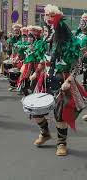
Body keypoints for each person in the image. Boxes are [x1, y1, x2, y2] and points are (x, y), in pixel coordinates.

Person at [30, 4, 86, 156]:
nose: (46, 29)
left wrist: (69, 81)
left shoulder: (69, 43)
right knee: (36, 110)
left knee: (60, 115)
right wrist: (36, 72)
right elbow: (43, 60)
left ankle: (61, 143)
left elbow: (77, 67)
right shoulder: (46, 42)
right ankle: (45, 133)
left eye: (50, 25)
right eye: (46, 25)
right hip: (46, 80)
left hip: (63, 82)